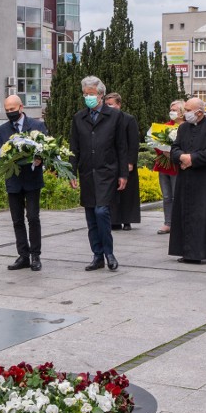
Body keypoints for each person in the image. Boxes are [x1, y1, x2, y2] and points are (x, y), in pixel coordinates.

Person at [69, 76, 128, 272]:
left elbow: (121, 147)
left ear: (101, 95)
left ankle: (109, 253)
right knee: (90, 215)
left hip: (107, 172)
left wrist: (123, 174)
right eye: (85, 94)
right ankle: (97, 255)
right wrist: (72, 172)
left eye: (91, 94)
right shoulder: (79, 118)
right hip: (87, 172)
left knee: (101, 211)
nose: (88, 98)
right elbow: (74, 148)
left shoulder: (115, 116)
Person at [169, 97, 206, 265]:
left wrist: (191, 159)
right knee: (187, 213)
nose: (185, 113)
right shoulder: (183, 128)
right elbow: (175, 148)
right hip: (186, 178)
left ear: (199, 112)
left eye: (188, 110)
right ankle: (190, 253)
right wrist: (181, 156)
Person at [0, 95, 47, 271]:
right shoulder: (2, 130)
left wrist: (40, 159)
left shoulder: (37, 126)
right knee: (17, 220)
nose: (10, 113)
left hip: (32, 180)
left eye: (12, 109)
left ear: (21, 107)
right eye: (7, 110)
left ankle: (35, 256)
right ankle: (23, 255)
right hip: (13, 181)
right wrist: (6, 157)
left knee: (32, 218)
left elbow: (47, 150)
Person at [105, 93, 141, 231]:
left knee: (127, 192)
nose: (108, 107)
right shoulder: (106, 119)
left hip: (126, 160)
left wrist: (131, 161)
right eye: (106, 104)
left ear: (118, 104)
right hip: (111, 161)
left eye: (111, 104)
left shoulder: (128, 119)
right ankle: (114, 220)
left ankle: (127, 220)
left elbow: (133, 142)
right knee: (113, 192)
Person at [153, 100, 185, 234]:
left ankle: (179, 222)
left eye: (175, 110)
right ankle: (168, 223)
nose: (171, 112)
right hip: (164, 165)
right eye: (171, 109)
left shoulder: (186, 127)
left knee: (178, 195)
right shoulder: (165, 126)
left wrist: (175, 154)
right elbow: (156, 141)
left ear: (182, 112)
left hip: (178, 165)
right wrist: (163, 151)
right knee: (167, 196)